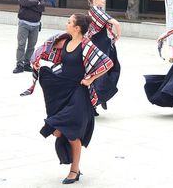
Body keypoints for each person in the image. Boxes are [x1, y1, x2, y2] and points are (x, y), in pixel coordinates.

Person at [22, 13, 113, 184]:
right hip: (62, 88)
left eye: (70, 22)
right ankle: (73, 164)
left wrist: (90, 79)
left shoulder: (86, 45)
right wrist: (37, 61)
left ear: (77, 28)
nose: (67, 23)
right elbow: (46, 49)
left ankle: (74, 170)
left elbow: (107, 63)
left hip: (78, 92)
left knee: (71, 133)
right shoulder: (64, 41)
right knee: (57, 131)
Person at [85, 0, 121, 113]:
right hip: (100, 45)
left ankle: (101, 97)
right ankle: (96, 100)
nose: (104, 0)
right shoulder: (96, 11)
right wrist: (118, 35)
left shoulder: (96, 11)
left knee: (110, 70)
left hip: (103, 43)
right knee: (102, 73)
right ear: (95, 1)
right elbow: (116, 23)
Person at [14, 0, 46, 74]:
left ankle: (27, 63)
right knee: (21, 44)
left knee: (31, 46)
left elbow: (42, 7)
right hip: (24, 23)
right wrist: (36, 3)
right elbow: (23, 2)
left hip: (35, 25)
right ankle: (19, 64)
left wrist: (29, 5)